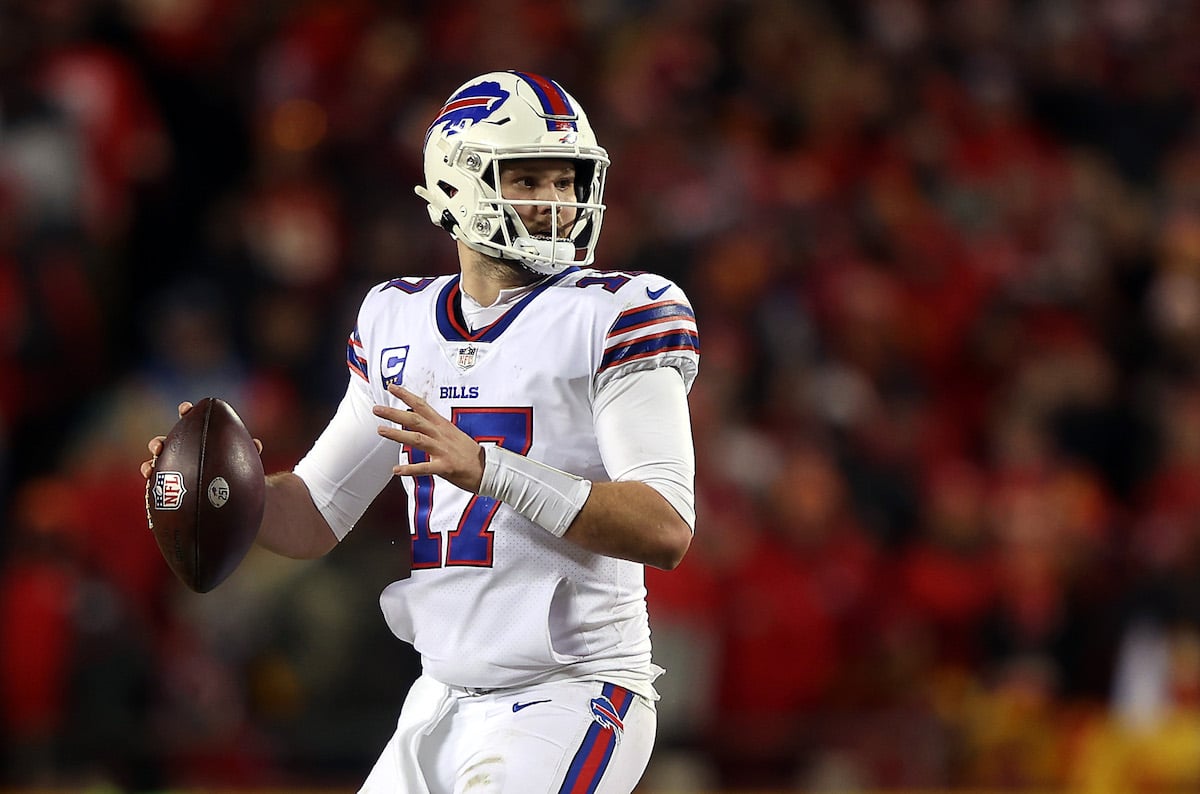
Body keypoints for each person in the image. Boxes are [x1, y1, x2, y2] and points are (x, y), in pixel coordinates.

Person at [141, 70, 700, 794]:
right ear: (457, 185)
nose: (558, 202)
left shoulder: (619, 312)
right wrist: (217, 489)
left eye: (567, 180)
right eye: (529, 180)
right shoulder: (396, 320)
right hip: (437, 702)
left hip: (571, 694)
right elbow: (314, 513)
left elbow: (666, 527)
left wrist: (490, 470)